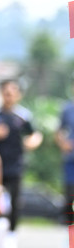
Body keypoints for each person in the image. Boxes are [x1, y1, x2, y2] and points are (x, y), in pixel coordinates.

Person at [0, 79, 42, 248]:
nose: (9, 96)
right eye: (6, 93)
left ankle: (11, 235)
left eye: (12, 93)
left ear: (18, 95)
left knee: (14, 201)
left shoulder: (23, 116)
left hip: (16, 165)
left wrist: (32, 141)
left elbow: (35, 134)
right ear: (1, 94)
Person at [54, 77, 74, 228]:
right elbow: (58, 132)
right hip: (70, 160)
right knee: (70, 193)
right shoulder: (67, 109)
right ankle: (69, 228)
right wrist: (63, 143)